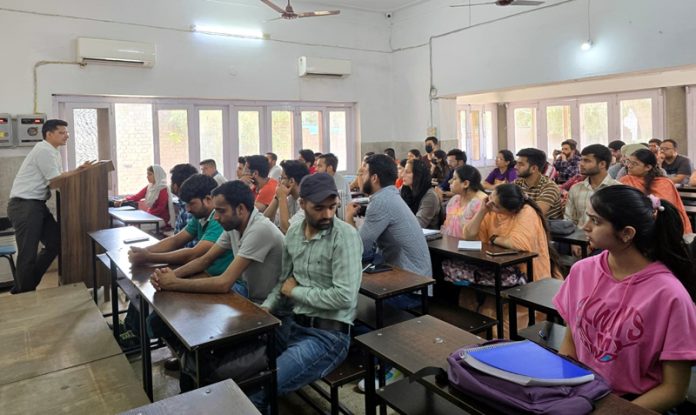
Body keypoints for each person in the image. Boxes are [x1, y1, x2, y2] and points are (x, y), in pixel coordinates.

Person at [554, 185, 696, 413]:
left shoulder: (670, 295)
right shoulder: (583, 271)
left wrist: (612, 411)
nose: (584, 226)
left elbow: (674, 389)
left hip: (635, 404)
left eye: (596, 221)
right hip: (583, 392)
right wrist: (563, 391)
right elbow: (571, 341)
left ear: (627, 234)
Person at [251, 173, 363, 412]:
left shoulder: (345, 237)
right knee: (244, 368)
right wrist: (267, 306)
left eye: (333, 207)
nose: (328, 215)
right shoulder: (293, 233)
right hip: (293, 323)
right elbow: (284, 281)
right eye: (319, 208)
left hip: (328, 336)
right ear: (302, 204)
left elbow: (344, 298)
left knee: (263, 389)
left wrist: (297, 292)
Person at [150, 180, 284, 305]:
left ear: (241, 209)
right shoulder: (234, 225)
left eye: (221, 211)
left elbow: (224, 283)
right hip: (249, 292)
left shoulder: (260, 229)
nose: (216, 217)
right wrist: (170, 276)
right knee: (183, 305)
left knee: (191, 306)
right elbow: (204, 260)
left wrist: (173, 283)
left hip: (268, 305)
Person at [7, 119, 92, 293]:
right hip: (25, 205)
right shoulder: (43, 150)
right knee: (27, 253)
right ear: (49, 134)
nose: (66, 135)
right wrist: (79, 171)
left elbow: (54, 182)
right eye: (62, 132)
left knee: (55, 242)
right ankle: (24, 292)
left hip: (36, 204)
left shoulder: (52, 151)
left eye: (66, 132)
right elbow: (55, 180)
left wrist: (77, 172)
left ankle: (25, 285)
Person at [345, 154, 432, 278]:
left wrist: (348, 218)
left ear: (374, 178)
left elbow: (358, 247)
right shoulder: (389, 194)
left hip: (411, 282)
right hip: (411, 274)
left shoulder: (382, 201)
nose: (360, 178)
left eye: (363, 174)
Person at [128, 174, 234, 275]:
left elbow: (193, 254)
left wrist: (148, 257)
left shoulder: (218, 220)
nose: (188, 209)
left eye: (191, 203)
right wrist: (143, 251)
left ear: (208, 199)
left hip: (221, 280)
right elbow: (176, 240)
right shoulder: (200, 216)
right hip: (205, 273)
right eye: (186, 204)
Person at [619, 149, 692, 233]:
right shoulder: (625, 180)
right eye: (628, 162)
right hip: (633, 223)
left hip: (661, 225)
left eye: (634, 164)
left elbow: (665, 210)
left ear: (648, 167)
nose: (629, 166)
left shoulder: (664, 183)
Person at [565, 144, 619, 228]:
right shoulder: (575, 188)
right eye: (581, 160)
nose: (581, 164)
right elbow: (568, 221)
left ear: (602, 164)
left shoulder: (617, 190)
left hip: (606, 239)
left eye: (587, 161)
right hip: (577, 239)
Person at [514, 148, 563, 219]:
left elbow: (534, 215)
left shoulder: (549, 187)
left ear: (534, 168)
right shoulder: (518, 183)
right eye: (516, 163)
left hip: (547, 228)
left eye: (521, 164)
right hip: (524, 225)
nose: (516, 167)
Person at [440, 165, 487, 239]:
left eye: (454, 178)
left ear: (465, 184)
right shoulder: (455, 200)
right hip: (450, 245)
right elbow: (447, 226)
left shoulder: (481, 202)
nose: (450, 181)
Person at [263, 160, 310, 234]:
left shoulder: (308, 201)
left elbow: (288, 230)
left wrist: (282, 197)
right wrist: (277, 197)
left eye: (282, 178)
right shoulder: (290, 198)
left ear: (291, 181)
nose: (279, 182)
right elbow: (264, 223)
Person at [401, 159, 441, 229]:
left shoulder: (430, 196)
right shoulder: (404, 190)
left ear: (418, 175)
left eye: (407, 172)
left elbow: (418, 224)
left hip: (428, 237)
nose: (402, 175)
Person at [169, 163, 199, 247]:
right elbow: (176, 238)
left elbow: (189, 247)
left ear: (175, 186)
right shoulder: (183, 203)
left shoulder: (190, 208)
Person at [316, 153, 351, 220]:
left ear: (329, 168)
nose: (316, 169)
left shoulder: (340, 182)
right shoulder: (320, 180)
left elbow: (339, 210)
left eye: (319, 166)